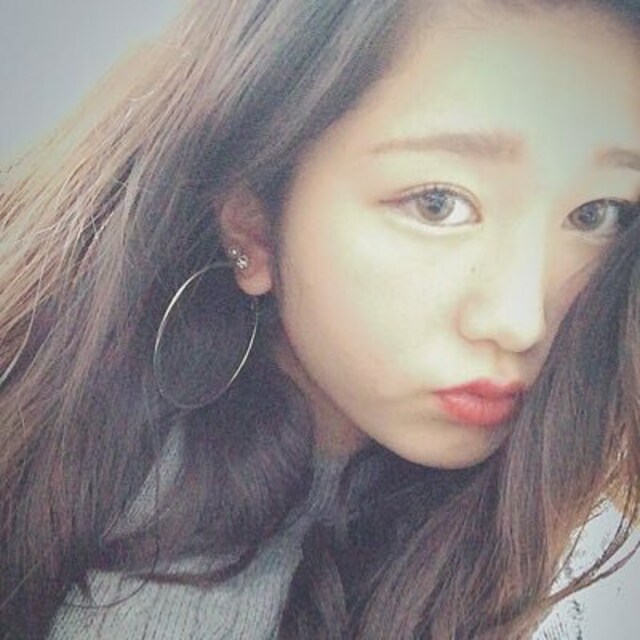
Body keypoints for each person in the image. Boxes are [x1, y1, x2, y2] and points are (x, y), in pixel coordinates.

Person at [1, 0, 639, 638]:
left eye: (598, 214)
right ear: (252, 224)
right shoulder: (53, 460)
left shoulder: (589, 570)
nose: (520, 322)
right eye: (437, 203)